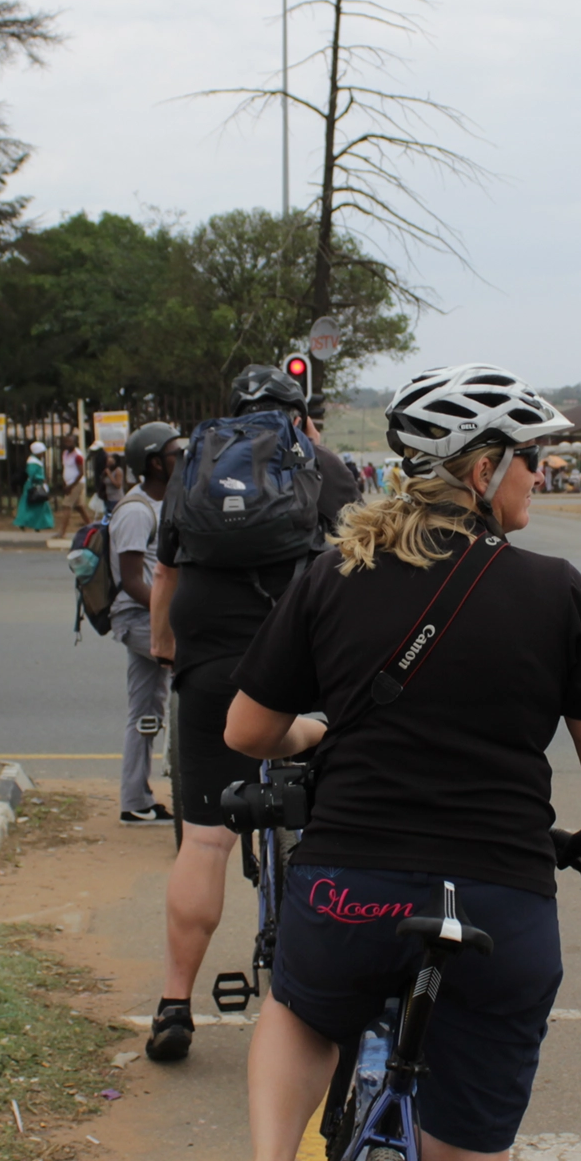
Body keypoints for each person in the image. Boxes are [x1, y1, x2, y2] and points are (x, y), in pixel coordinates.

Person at [203, 363, 581, 1161]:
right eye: (528, 458)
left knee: (301, 1007)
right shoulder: (554, 590)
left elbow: (246, 730)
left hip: (350, 888)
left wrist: (315, 734)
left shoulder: (334, 572)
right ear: (481, 469)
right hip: (497, 906)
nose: (538, 475)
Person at [141, 363, 360, 1063]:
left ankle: (174, 1004)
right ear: (302, 415)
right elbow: (362, 558)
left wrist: (166, 646)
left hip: (210, 653)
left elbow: (167, 572)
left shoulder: (195, 462)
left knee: (205, 840)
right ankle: (337, 991)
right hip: (300, 649)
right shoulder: (322, 464)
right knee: (337, 820)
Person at [110, 421, 183, 826]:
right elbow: (131, 580)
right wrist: (170, 618)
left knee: (144, 710)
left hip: (152, 615)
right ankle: (190, 779)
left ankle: (134, 800)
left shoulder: (165, 501)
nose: (182, 459)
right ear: (155, 463)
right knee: (197, 668)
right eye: (175, 454)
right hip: (139, 617)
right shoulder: (136, 511)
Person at [54, 432, 91, 535]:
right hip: (69, 483)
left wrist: (71, 486)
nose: (67, 444)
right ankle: (91, 525)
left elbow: (81, 473)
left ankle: (62, 532)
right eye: (66, 441)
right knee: (79, 507)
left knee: (66, 505)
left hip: (76, 483)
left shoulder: (78, 455)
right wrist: (65, 483)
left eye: (70, 442)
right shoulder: (65, 453)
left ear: (75, 443)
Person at [14, 440, 55, 533]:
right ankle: (29, 523)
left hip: (36, 485)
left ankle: (37, 524)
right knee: (34, 505)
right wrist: (42, 479)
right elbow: (32, 474)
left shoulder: (35, 461)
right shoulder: (33, 462)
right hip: (34, 486)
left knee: (37, 505)